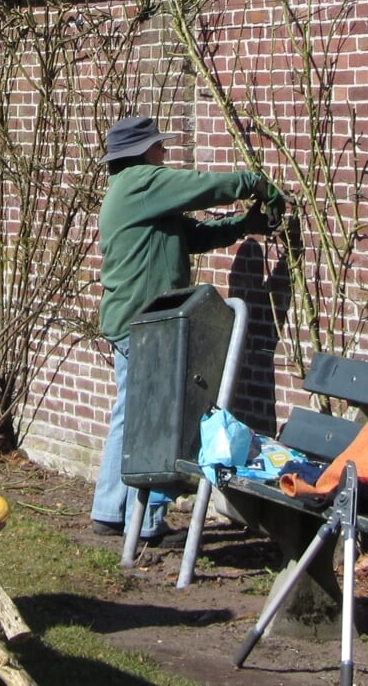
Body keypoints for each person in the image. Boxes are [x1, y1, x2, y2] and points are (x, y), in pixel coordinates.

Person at [90, 115, 281, 543]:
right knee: (159, 421)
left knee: (134, 415)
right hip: (146, 322)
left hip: (137, 319)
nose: (164, 151)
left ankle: (110, 509)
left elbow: (190, 236)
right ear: (141, 152)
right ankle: (148, 519)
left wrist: (242, 226)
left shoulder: (135, 194)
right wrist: (254, 182)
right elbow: (202, 187)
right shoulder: (142, 181)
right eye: (158, 145)